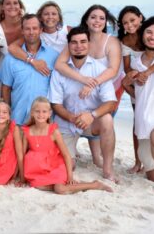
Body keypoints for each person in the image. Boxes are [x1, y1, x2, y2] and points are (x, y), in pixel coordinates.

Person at [55, 4, 124, 167]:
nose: (97, 21)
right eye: (93, 17)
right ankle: (85, 154)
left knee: (103, 123)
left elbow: (113, 69)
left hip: (105, 89)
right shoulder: (79, 38)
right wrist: (82, 79)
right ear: (86, 19)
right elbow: (60, 64)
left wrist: (92, 84)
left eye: (101, 18)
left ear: (106, 22)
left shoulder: (111, 41)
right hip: (79, 92)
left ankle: (100, 161)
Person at [49, 27, 118, 182]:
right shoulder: (60, 71)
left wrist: (91, 115)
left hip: (91, 122)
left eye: (82, 42)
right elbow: (56, 104)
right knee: (69, 166)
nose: (78, 46)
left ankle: (108, 169)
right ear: (69, 45)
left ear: (89, 44)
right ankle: (72, 155)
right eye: (74, 42)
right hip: (67, 122)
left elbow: (111, 102)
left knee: (107, 119)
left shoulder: (100, 69)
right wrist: (72, 117)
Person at [22, 97, 112, 194]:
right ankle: (75, 184)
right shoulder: (27, 131)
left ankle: (95, 185)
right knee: (40, 186)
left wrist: (70, 176)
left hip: (55, 166)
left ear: (49, 114)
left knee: (59, 189)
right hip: (37, 170)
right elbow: (21, 155)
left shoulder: (53, 131)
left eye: (44, 111)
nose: (41, 114)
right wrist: (20, 175)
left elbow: (66, 155)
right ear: (32, 112)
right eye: (37, 111)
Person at [0, 13, 58, 125]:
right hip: (17, 120)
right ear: (22, 31)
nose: (31, 32)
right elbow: (6, 88)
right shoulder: (10, 59)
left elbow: (58, 88)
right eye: (27, 29)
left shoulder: (54, 56)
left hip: (44, 122)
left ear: (41, 30)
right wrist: (7, 115)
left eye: (35, 28)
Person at [122, 16, 154, 182]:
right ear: (143, 34)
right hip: (144, 126)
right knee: (153, 177)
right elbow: (133, 89)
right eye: (149, 32)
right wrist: (127, 85)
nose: (153, 36)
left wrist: (147, 72)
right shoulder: (136, 62)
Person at [8, 1, 70, 76]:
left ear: (59, 17)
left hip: (66, 72)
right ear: (40, 18)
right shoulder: (36, 33)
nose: (50, 17)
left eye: (54, 14)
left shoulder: (67, 30)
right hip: (45, 72)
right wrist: (32, 61)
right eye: (46, 14)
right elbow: (12, 47)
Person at [0, 0, 26, 76]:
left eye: (15, 3)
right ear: (2, 7)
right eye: (8, 3)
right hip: (4, 78)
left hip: (27, 78)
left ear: (20, 6)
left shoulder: (28, 26)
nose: (12, 6)